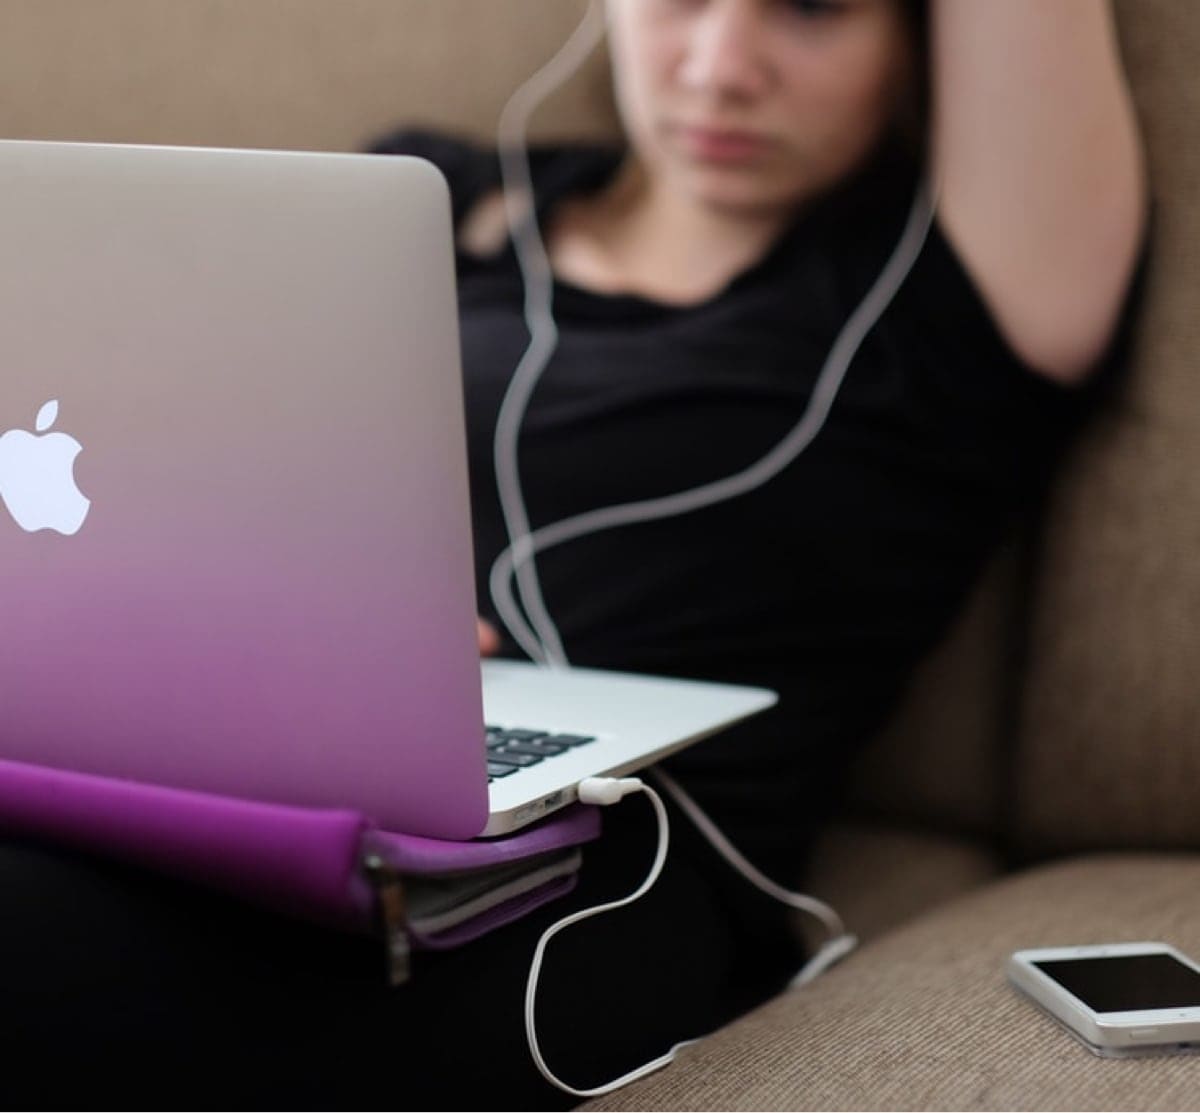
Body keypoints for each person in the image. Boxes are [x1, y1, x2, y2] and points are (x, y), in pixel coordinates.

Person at [0, 1, 1146, 1107]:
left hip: (598, 869)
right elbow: (180, 467)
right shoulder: (423, 203)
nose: (721, 67)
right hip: (259, 756)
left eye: (812, 7)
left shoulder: (953, 291)